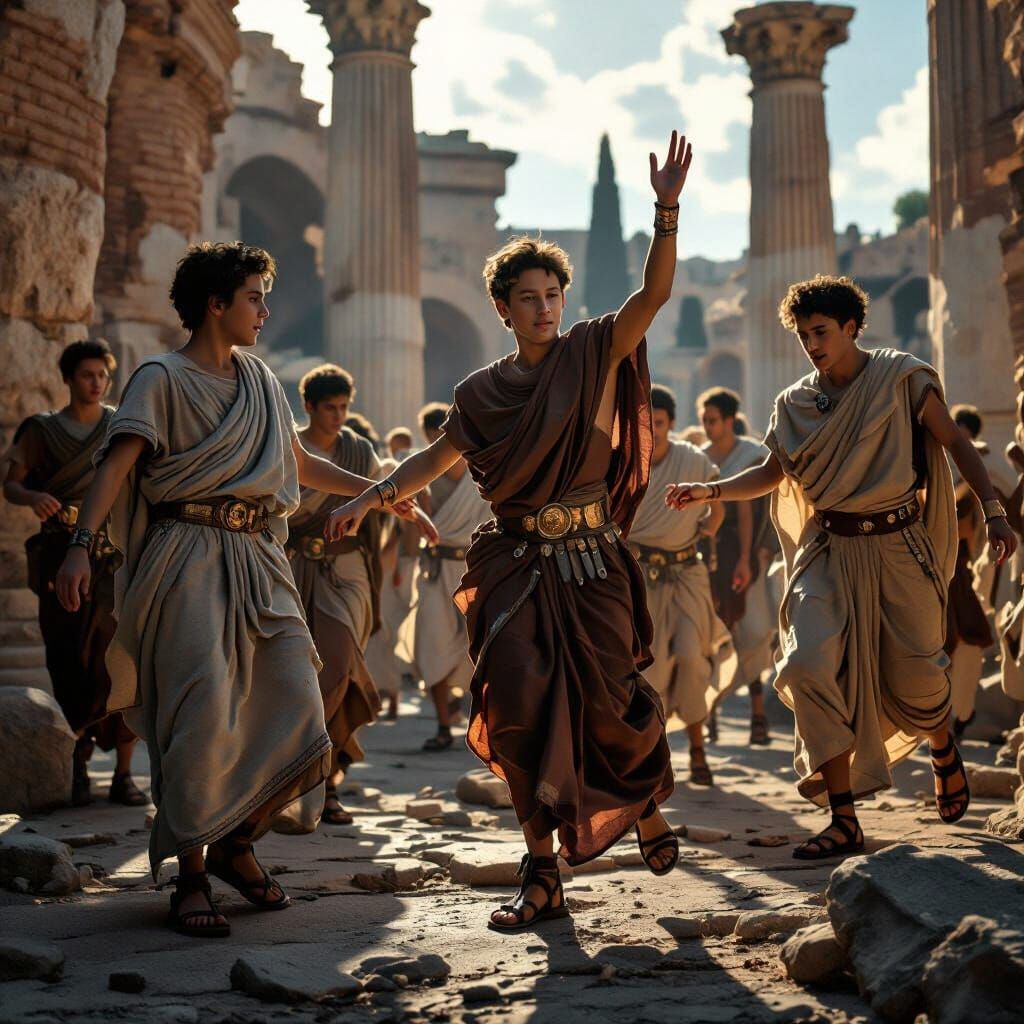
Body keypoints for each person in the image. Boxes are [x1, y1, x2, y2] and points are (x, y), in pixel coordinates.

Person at [326, 131, 693, 930]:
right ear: (503, 307)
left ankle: (638, 803)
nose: (545, 307)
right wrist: (372, 494)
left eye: (553, 295)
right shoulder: (482, 391)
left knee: (610, 703)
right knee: (519, 704)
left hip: (594, 562)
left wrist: (665, 209)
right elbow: (435, 454)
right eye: (528, 297)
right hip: (515, 563)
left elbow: (652, 298)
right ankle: (540, 871)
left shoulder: (593, 351)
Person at [55, 241, 428, 938]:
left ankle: (236, 840)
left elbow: (300, 463)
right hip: (184, 553)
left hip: (258, 557)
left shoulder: (259, 379)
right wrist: (80, 544)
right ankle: (192, 874)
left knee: (298, 699)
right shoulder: (159, 378)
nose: (265, 309)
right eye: (254, 297)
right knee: (201, 710)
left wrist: (382, 492)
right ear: (215, 304)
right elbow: (117, 462)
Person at [667, 274, 1017, 859]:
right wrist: (713, 493)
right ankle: (843, 817)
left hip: (898, 547)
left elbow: (953, 441)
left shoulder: (900, 377)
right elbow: (774, 472)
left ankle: (941, 746)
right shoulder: (794, 403)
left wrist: (994, 510)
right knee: (806, 666)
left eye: (821, 331)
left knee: (917, 676)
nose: (812, 344)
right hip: (827, 550)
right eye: (803, 335)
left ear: (852, 327)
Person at [3, 339, 144, 807]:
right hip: (58, 554)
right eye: (87, 374)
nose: (96, 382)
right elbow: (13, 484)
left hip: (112, 557)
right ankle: (78, 764)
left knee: (120, 659)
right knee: (68, 662)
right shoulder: (41, 430)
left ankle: (125, 774)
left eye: (103, 374)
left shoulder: (120, 425)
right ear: (67, 378)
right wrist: (31, 498)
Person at [287, 365, 417, 825]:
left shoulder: (358, 450)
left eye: (345, 407)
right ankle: (311, 783)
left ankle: (329, 777)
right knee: (298, 677)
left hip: (348, 571)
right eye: (330, 408)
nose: (339, 416)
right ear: (309, 406)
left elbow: (379, 511)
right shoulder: (290, 446)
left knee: (340, 668)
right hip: (293, 569)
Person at [627, 384, 734, 786]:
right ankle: (659, 757)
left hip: (689, 573)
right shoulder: (627, 466)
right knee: (652, 670)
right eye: (645, 423)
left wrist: (703, 531)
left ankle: (698, 748)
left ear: (671, 423)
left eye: (658, 422)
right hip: (643, 579)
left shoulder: (693, 459)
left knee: (691, 657)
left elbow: (716, 507)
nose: (652, 430)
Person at [399, 402, 491, 752]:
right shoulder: (421, 472)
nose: (439, 440)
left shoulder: (481, 469)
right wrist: (402, 565)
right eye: (434, 435)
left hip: (475, 569)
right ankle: (442, 723)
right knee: (431, 645)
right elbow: (411, 521)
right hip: (435, 571)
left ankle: (481, 723)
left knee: (480, 650)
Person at [698, 388, 776, 745]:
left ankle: (758, 715)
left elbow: (765, 508)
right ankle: (708, 713)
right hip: (710, 555)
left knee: (753, 631)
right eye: (704, 419)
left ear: (730, 420)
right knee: (713, 633)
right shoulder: (699, 459)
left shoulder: (755, 455)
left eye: (713, 420)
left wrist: (758, 552)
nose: (707, 426)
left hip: (750, 555)